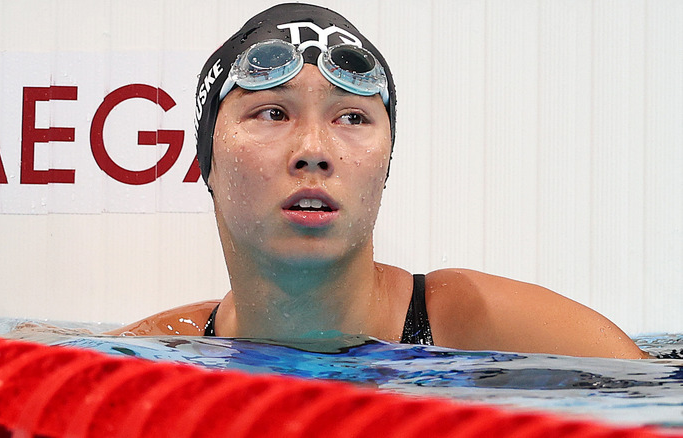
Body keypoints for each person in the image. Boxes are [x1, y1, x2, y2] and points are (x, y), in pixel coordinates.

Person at [108, 3, 648, 359]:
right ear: (206, 160)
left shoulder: (484, 330)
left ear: (385, 164)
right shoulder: (157, 354)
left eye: (352, 118)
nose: (313, 152)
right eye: (273, 113)